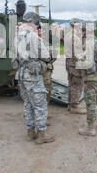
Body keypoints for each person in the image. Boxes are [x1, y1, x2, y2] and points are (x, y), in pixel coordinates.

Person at [12, 12, 55, 144]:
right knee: (40, 105)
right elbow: (47, 56)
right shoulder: (33, 36)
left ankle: (30, 132)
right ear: (33, 23)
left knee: (27, 104)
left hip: (21, 75)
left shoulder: (16, 37)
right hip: (33, 77)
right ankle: (42, 134)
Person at [64, 18, 86, 114]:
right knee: (77, 85)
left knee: (71, 85)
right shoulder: (75, 37)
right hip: (75, 65)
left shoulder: (68, 35)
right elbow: (78, 54)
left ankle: (70, 105)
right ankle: (74, 106)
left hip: (69, 64)